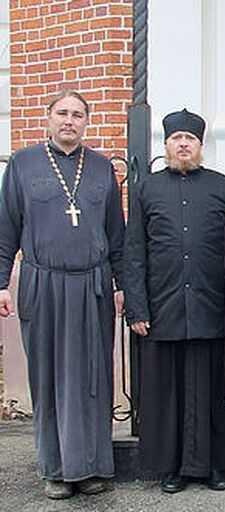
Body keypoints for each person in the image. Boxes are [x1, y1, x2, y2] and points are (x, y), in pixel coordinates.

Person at [0, 91, 124, 500]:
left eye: (77, 115)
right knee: (49, 375)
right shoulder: (23, 163)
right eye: (62, 114)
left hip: (92, 285)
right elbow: (6, 230)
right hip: (44, 283)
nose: (69, 121)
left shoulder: (103, 168)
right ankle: (55, 469)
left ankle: (90, 467)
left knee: (93, 378)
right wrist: (2, 283)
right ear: (48, 117)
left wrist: (121, 285)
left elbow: (115, 235)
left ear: (86, 121)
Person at [124, 109, 225, 493]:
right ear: (167, 144)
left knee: (213, 391)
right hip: (163, 306)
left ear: (201, 145)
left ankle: (216, 466)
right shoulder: (146, 188)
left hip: (213, 305)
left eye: (191, 139)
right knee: (167, 393)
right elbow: (134, 252)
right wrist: (137, 308)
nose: (184, 145)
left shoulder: (223, 187)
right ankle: (171, 467)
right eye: (177, 139)